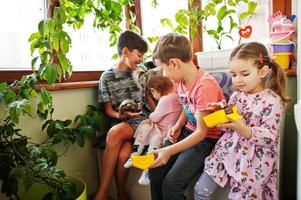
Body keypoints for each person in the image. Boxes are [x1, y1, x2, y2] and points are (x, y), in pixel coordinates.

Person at [194, 42, 291, 200]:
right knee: (200, 190)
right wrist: (220, 113)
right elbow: (228, 126)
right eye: (233, 74)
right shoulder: (237, 95)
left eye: (244, 74)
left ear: (263, 71)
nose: (237, 80)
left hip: (253, 162)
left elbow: (270, 137)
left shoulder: (272, 101)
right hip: (226, 151)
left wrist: (244, 129)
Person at [148, 33, 225, 200]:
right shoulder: (179, 81)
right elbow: (188, 106)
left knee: (171, 184)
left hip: (205, 141)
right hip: (187, 131)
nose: (164, 74)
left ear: (174, 63)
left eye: (163, 69)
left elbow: (202, 132)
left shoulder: (205, 86)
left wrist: (168, 150)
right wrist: (177, 125)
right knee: (154, 170)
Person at [95, 30, 149, 200]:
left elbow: (150, 100)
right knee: (123, 155)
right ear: (125, 51)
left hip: (141, 119)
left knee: (114, 133)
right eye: (139, 54)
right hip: (121, 121)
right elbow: (108, 110)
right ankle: (121, 193)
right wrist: (121, 116)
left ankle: (101, 193)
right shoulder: (107, 77)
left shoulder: (141, 72)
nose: (141, 59)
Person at [124, 70, 183, 185]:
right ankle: (145, 171)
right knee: (151, 142)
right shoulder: (176, 95)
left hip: (162, 131)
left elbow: (155, 117)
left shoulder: (166, 99)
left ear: (154, 91)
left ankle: (135, 155)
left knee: (143, 132)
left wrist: (148, 114)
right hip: (166, 129)